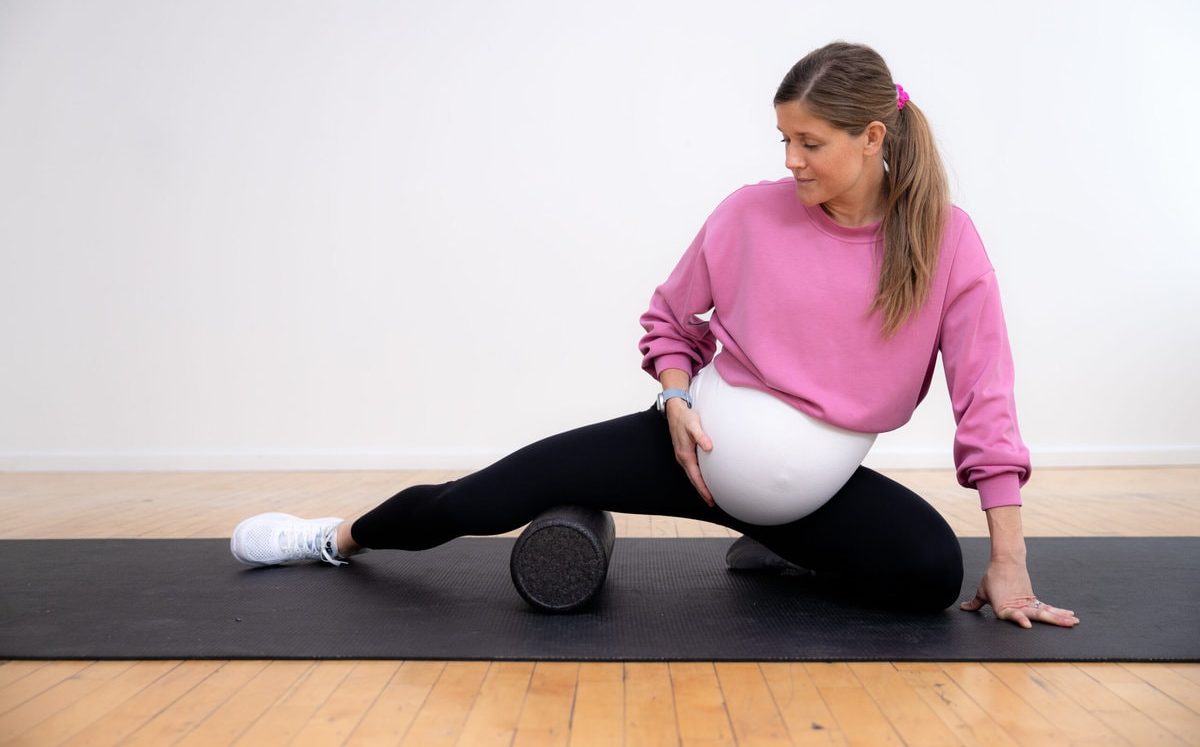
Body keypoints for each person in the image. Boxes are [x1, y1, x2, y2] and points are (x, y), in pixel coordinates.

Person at [231, 42, 1078, 630]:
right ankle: (334, 539)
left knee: (930, 574)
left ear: (873, 138)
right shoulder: (749, 213)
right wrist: (673, 395)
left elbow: (985, 395)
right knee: (479, 500)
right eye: (782, 138)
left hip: (805, 497)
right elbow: (670, 319)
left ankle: (776, 538)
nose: (790, 160)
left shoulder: (944, 241)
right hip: (683, 449)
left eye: (810, 142)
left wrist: (1009, 558)